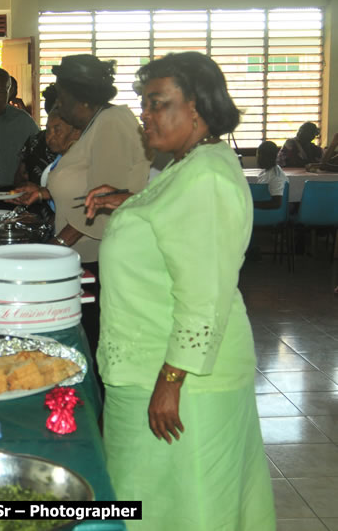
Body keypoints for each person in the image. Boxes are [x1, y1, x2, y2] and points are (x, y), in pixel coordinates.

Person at [83, 52, 275, 530]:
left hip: (184, 384)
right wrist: (131, 203)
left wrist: (170, 384)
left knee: (188, 509)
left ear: (197, 107)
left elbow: (204, 293)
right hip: (149, 366)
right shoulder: (190, 165)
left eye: (157, 103)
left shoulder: (205, 176)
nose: (144, 115)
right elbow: (177, 221)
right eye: (144, 103)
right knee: (154, 500)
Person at [10, 55, 150, 355]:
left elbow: (102, 204)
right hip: (85, 257)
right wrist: (44, 193)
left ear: (79, 97)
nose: (57, 104)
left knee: (94, 344)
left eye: (61, 95)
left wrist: (55, 246)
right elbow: (87, 186)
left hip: (102, 261)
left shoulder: (111, 123)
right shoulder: (97, 125)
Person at [254, 140, 289, 209]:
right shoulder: (265, 172)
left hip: (270, 215)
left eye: (261, 156)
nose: (258, 160)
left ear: (272, 157)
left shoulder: (276, 176)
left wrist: (250, 204)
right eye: (258, 156)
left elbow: (276, 204)